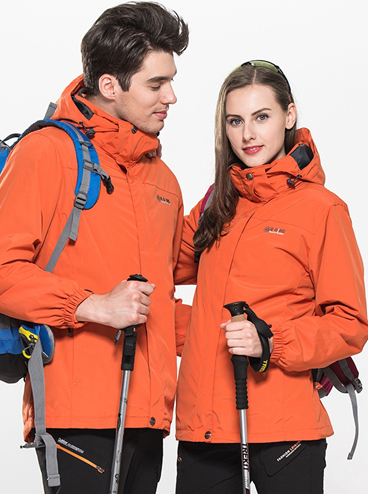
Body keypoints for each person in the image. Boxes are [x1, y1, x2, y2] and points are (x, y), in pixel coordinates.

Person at [0, 2, 189, 493]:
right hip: (77, 416)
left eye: (171, 81)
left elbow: (159, 304)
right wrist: (93, 305)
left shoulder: (163, 180)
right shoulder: (46, 152)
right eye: (156, 84)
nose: (171, 96)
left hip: (151, 417)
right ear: (110, 85)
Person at [174, 60, 368, 494]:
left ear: (289, 115)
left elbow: (349, 323)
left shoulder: (322, 209)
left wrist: (271, 341)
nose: (248, 134)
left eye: (261, 117)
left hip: (285, 432)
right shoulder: (216, 206)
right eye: (235, 121)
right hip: (204, 431)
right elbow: (155, 265)